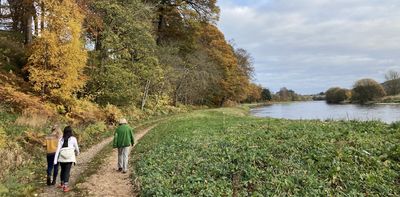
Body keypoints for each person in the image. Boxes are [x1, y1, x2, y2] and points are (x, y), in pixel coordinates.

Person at [54, 126, 80, 192]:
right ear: (71, 132)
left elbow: (57, 150)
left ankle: (62, 184)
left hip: (62, 157)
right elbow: (76, 147)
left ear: (64, 132)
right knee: (67, 171)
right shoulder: (73, 139)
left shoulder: (61, 139)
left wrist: (55, 160)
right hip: (70, 157)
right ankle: (65, 187)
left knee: (62, 170)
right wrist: (77, 153)